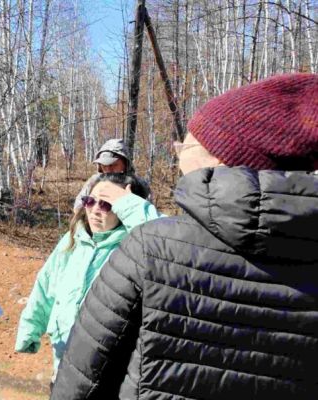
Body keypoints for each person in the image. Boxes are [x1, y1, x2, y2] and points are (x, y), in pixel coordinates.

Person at [51, 73, 318, 399]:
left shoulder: (151, 248)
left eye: (186, 144)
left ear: (221, 160)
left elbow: (83, 379)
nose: (178, 153)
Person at [15, 173, 160, 389]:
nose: (95, 209)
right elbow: (46, 285)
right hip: (63, 360)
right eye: (90, 201)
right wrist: (30, 327)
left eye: (107, 204)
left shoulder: (135, 246)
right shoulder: (73, 238)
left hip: (107, 371)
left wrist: (131, 204)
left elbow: (161, 242)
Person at [72, 138, 151, 212]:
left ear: (125, 164)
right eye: (104, 165)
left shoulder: (138, 185)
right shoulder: (94, 181)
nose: (108, 170)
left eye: (113, 165)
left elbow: (147, 213)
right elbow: (78, 208)